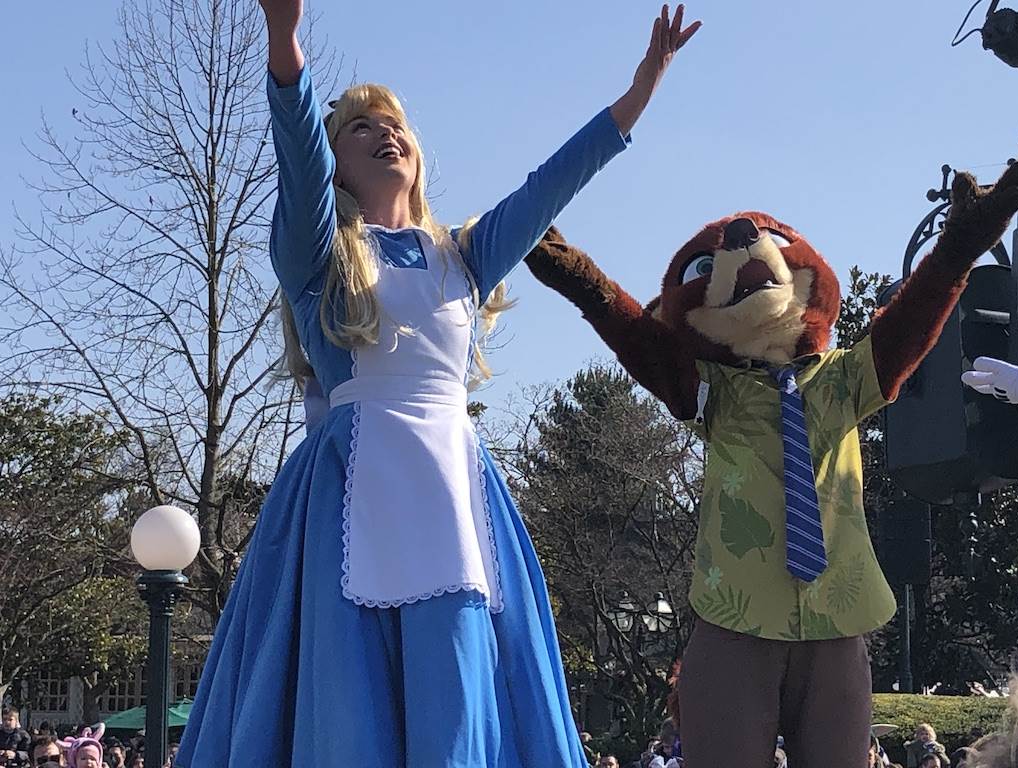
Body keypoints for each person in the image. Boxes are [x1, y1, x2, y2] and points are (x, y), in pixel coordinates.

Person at [175, 1, 702, 766]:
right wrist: (284, 44)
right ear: (336, 164)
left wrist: (640, 89)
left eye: (395, 124)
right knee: (347, 695)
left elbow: (552, 183)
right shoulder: (316, 255)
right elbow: (298, 159)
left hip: (455, 496)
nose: (385, 132)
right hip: (346, 493)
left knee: (457, 678)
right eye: (360, 127)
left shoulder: (463, 256)